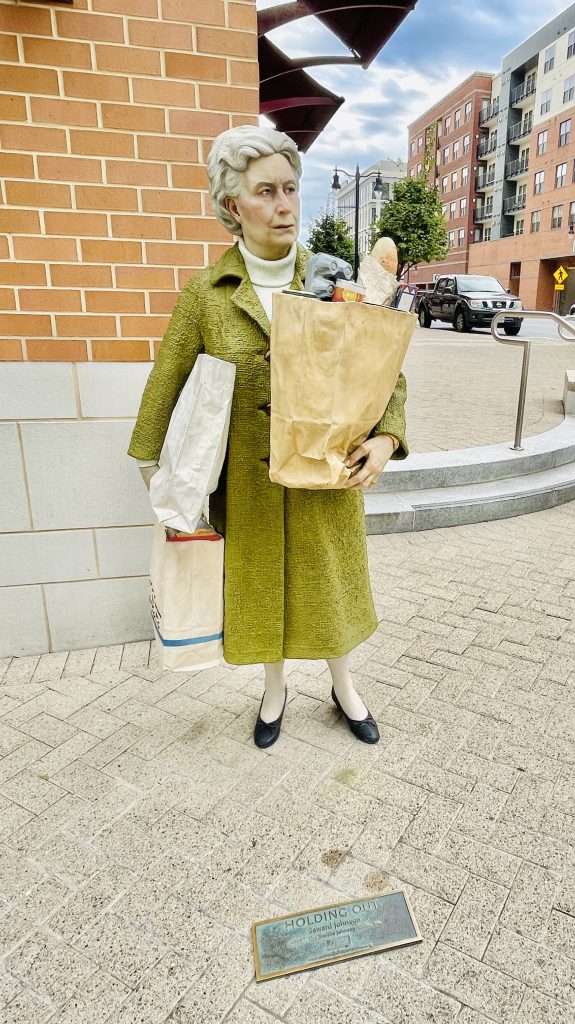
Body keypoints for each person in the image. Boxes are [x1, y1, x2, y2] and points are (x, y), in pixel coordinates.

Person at [127, 125, 407, 748]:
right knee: (259, 591)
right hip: (248, 480)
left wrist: (387, 438)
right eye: (266, 191)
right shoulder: (208, 293)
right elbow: (165, 380)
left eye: (291, 189)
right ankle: (274, 691)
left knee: (326, 587)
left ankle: (344, 686)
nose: (285, 205)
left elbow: (383, 368)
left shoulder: (338, 280)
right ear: (234, 206)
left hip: (325, 470)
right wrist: (155, 471)